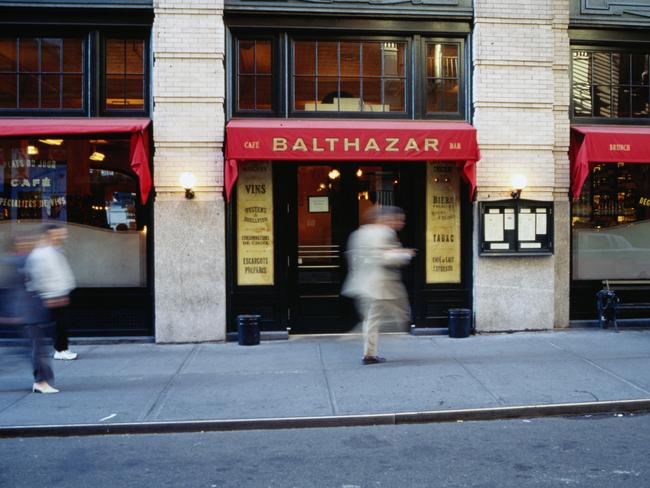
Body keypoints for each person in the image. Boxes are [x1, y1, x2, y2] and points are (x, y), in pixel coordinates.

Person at [342, 206, 414, 365]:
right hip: (381, 284)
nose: (401, 223)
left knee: (372, 319)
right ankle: (367, 350)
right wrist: (405, 255)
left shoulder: (358, 234)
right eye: (399, 219)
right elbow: (385, 258)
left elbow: (353, 257)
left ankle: (369, 352)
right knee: (398, 313)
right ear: (387, 219)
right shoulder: (386, 233)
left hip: (364, 283)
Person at [2, 232, 58, 393]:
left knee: (31, 349)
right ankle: (41, 382)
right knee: (36, 348)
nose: (28, 244)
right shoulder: (22, 261)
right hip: (26, 312)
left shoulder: (25, 260)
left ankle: (43, 380)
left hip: (32, 311)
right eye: (24, 241)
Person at [26, 223, 77, 361]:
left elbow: (63, 271)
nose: (61, 236)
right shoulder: (41, 253)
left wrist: (66, 287)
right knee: (57, 324)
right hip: (52, 295)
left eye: (61, 234)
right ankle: (60, 350)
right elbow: (39, 276)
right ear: (49, 235)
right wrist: (50, 294)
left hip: (59, 292)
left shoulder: (56, 250)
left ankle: (61, 348)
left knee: (61, 323)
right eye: (57, 234)